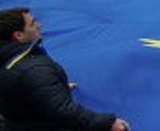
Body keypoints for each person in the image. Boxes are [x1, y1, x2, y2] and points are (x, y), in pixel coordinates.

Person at [0, 8, 130, 131]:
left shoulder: (11, 61)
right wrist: (108, 123)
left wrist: (52, 88)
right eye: (33, 24)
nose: (39, 25)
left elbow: (22, 87)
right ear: (19, 35)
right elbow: (62, 111)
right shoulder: (34, 70)